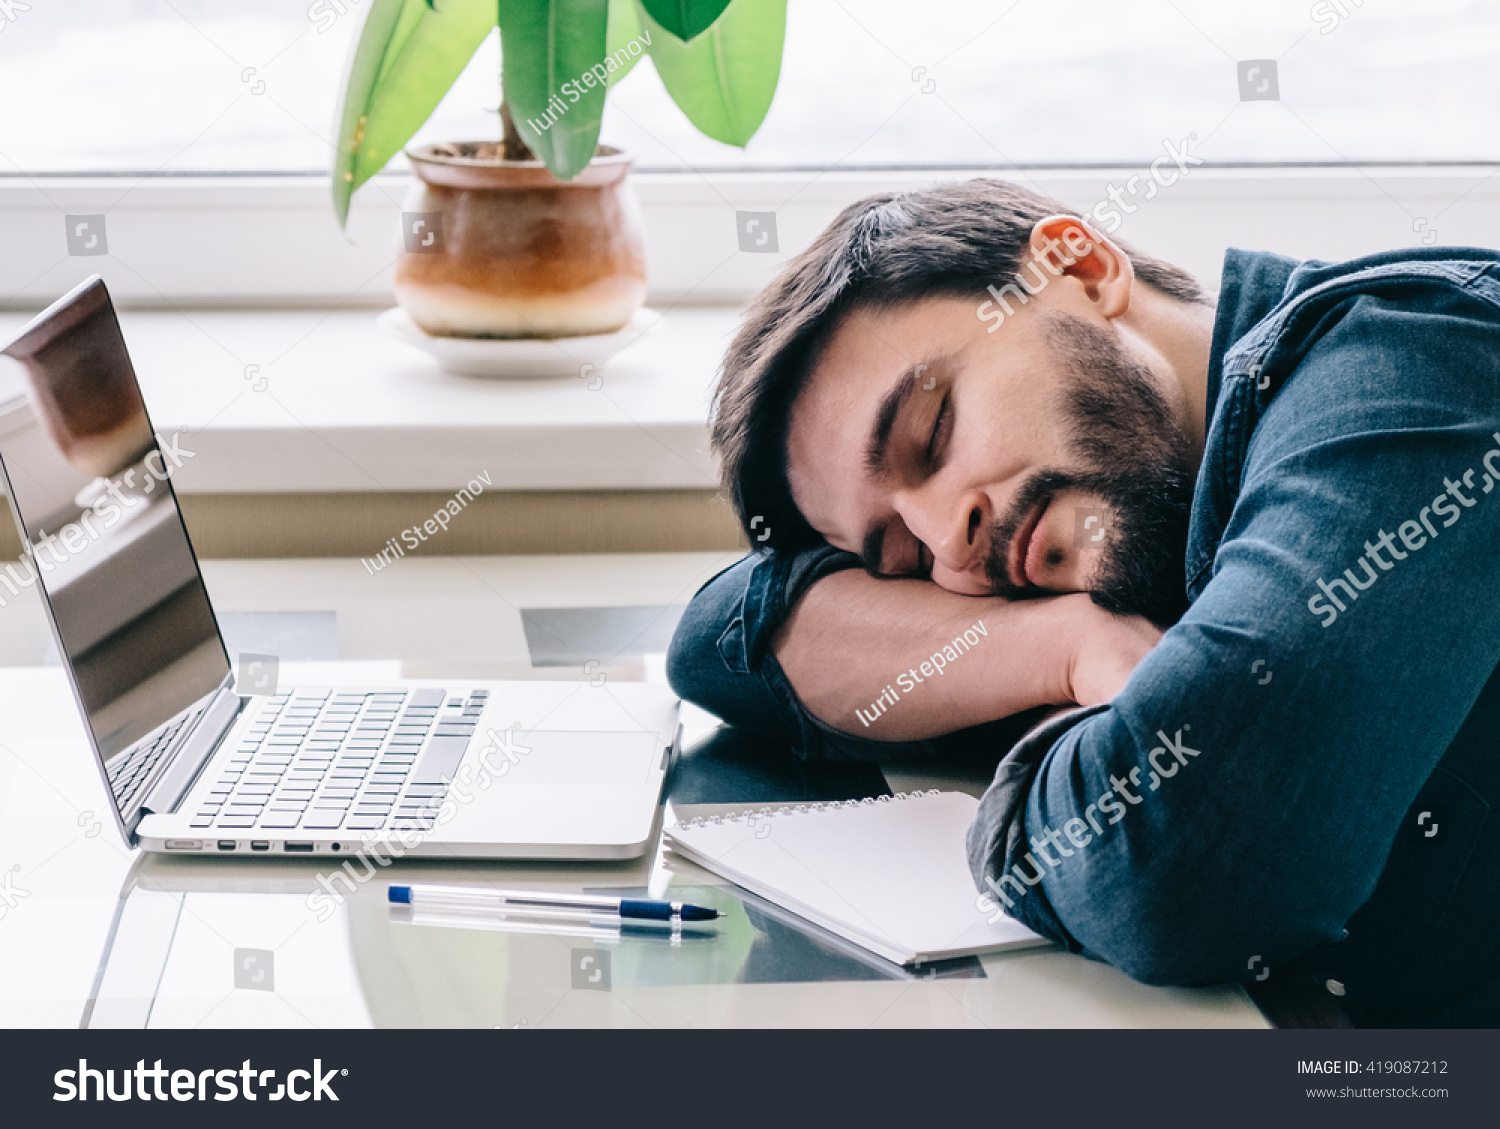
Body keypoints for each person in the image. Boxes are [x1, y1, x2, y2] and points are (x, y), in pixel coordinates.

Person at [666, 179, 1500, 1026]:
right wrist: (1060, 646)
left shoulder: (1419, 364)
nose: (949, 541)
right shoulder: (1141, 535)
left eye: (935, 433)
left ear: (1084, 267)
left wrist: (1048, 738)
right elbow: (723, 638)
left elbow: (1178, 858)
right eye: (902, 554)